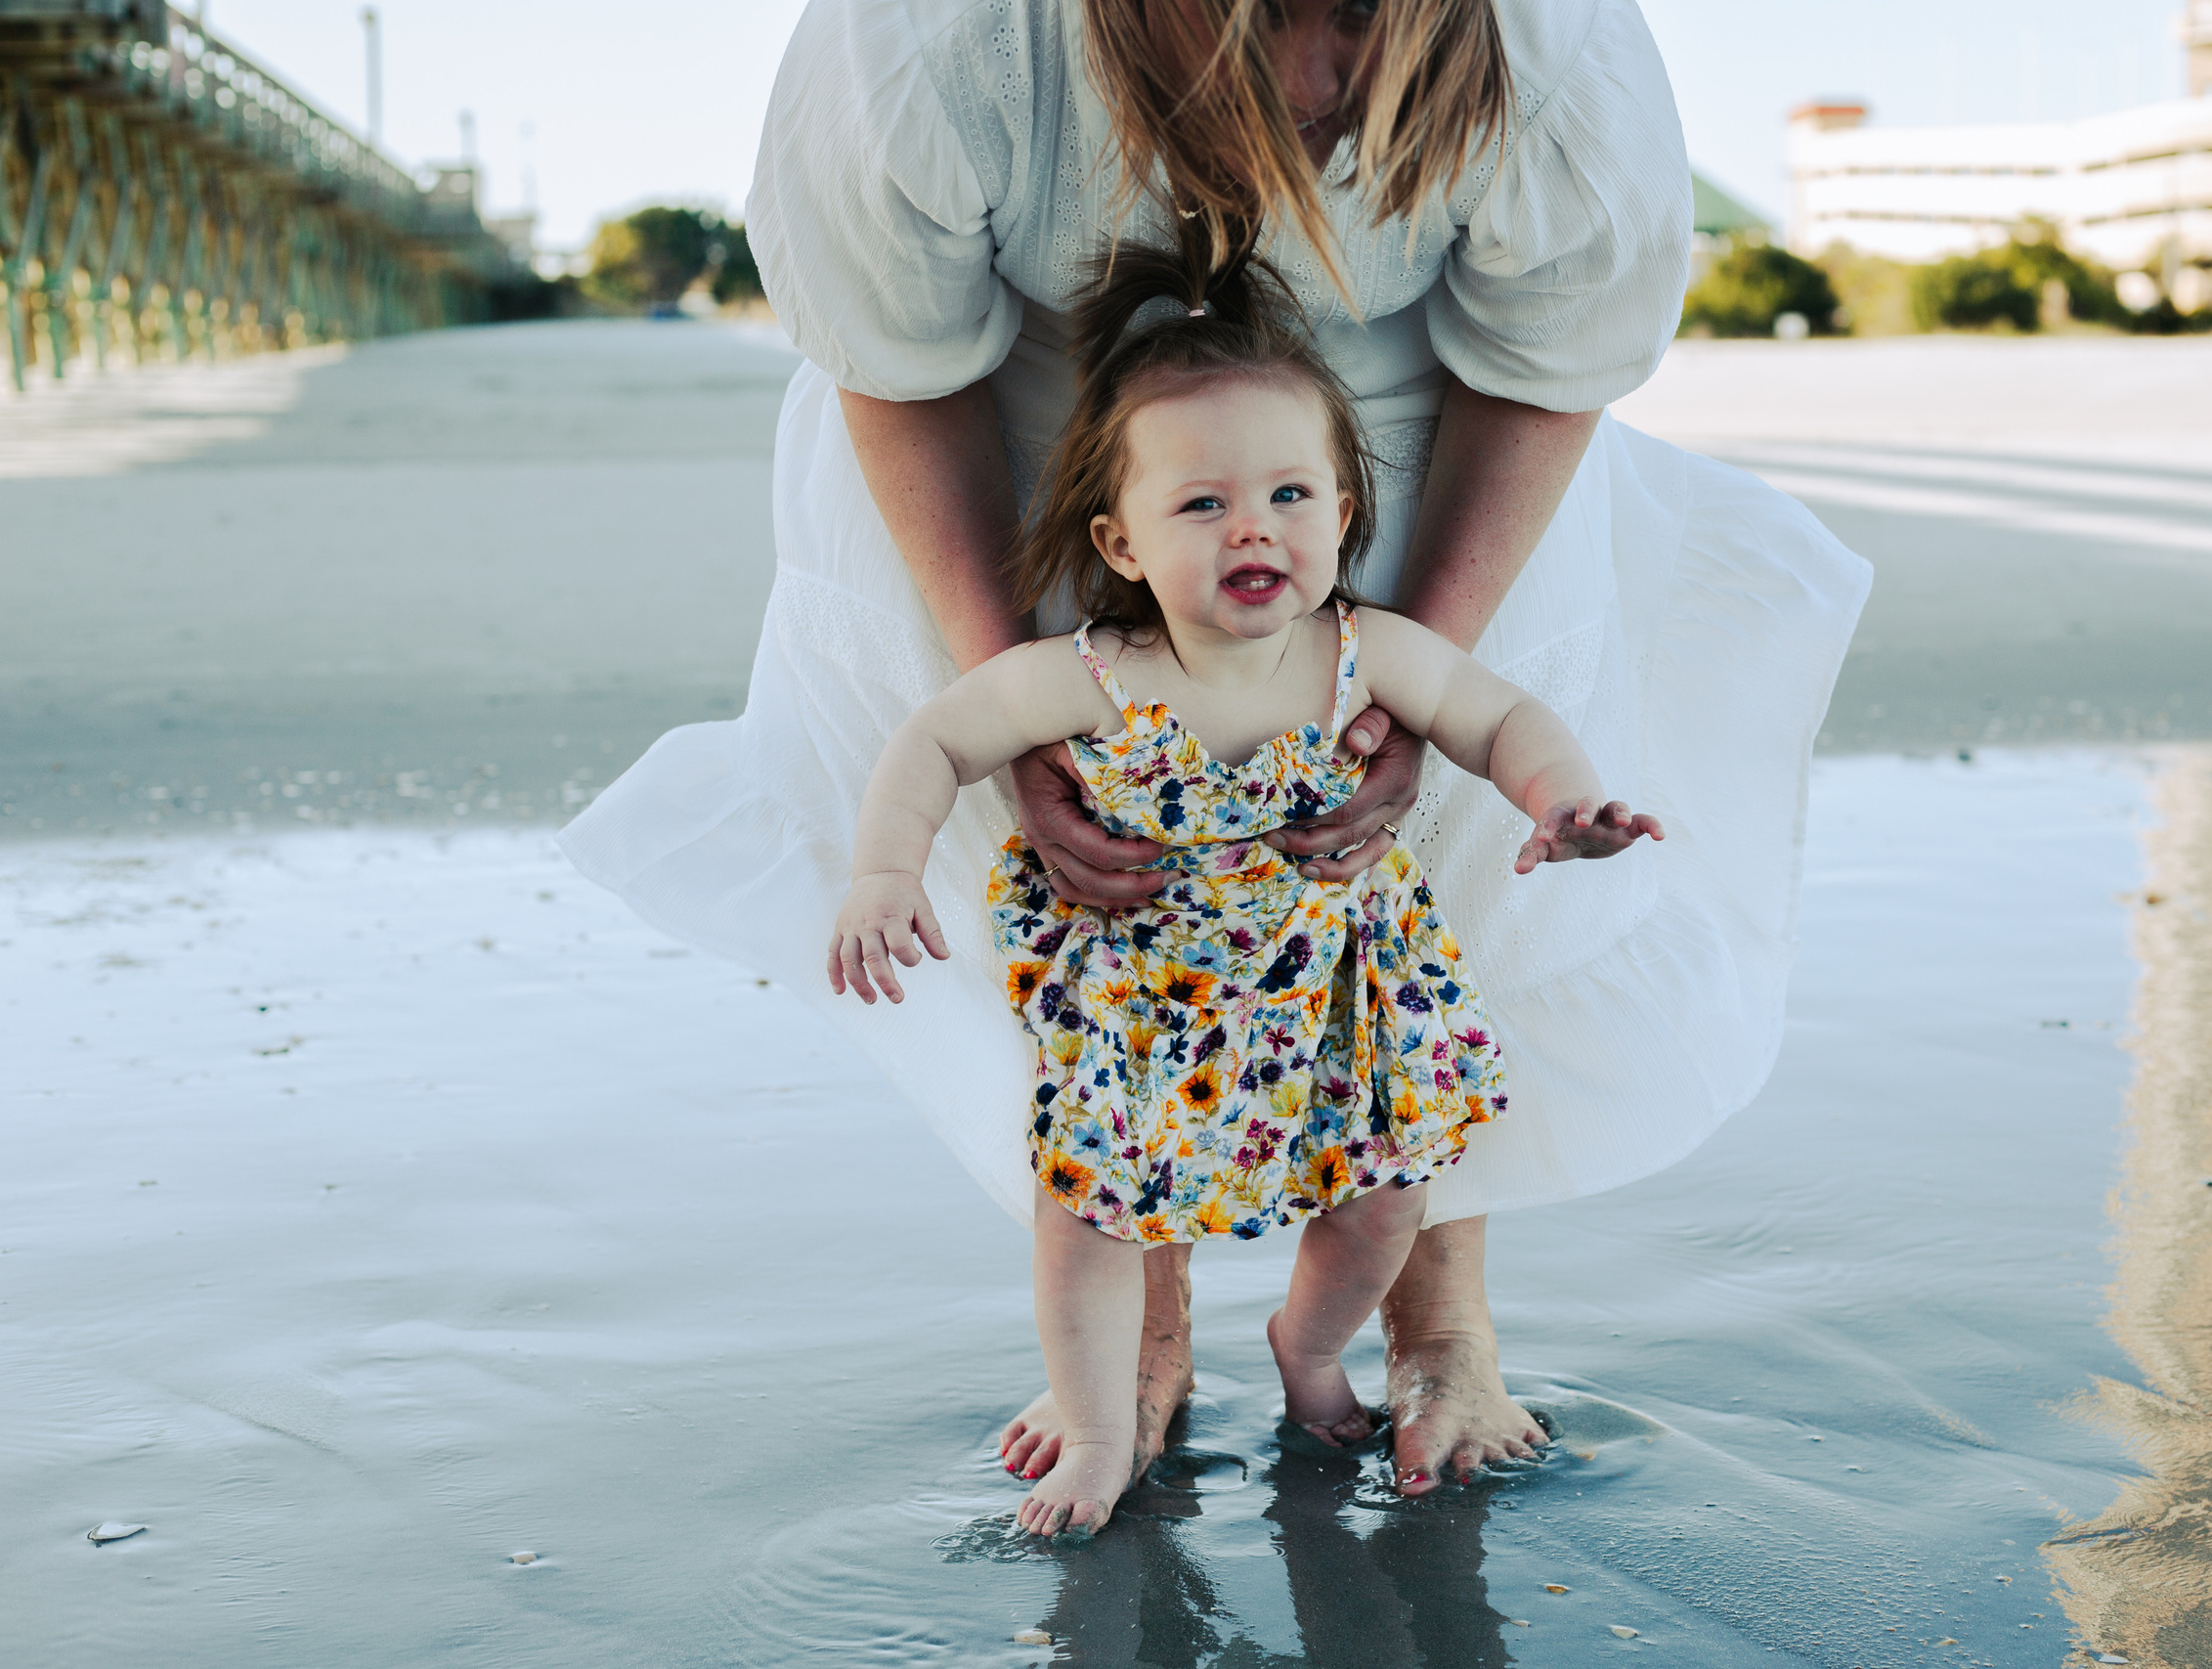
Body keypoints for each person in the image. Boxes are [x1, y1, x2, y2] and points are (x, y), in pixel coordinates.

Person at [558, 0, 1870, 1498]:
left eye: (1361, 16)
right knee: (1104, 1080)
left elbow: (1518, 564)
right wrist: (986, 745)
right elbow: (922, 574)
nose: (1316, 83)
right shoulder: (929, 42)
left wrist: (1474, 738)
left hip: (1382, 448)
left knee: (1408, 1040)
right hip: (1061, 451)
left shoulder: (1549, 45)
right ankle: (1138, 1333)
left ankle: (1432, 1320)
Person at [826, 236, 1666, 1536]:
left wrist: (1567, 802)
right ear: (1120, 540)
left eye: (1288, 493)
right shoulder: (1093, 674)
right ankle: (1098, 1429)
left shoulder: (1368, 654)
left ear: (1345, 511)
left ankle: (1310, 1347)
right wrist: (884, 871)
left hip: (1341, 997)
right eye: (1202, 505)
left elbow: (1502, 718)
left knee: (1386, 1198)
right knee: (1089, 1218)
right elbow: (936, 739)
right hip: (1146, 1011)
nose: (1254, 526)